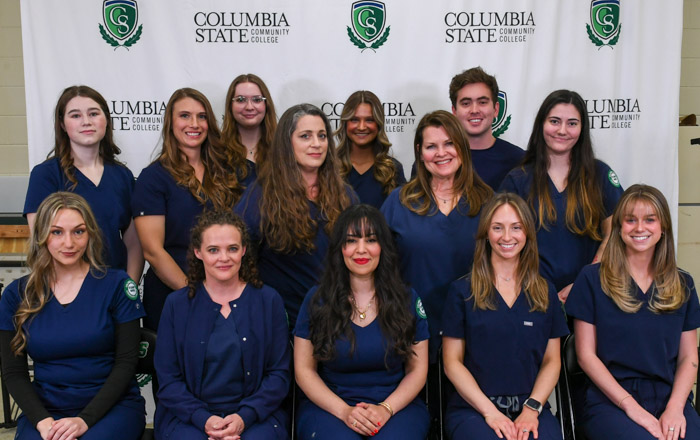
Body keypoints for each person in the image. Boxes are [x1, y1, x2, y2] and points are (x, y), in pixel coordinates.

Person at [0, 192, 145, 440]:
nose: (69, 243)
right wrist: (43, 421)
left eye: (78, 231)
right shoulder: (17, 294)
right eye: (57, 232)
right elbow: (13, 373)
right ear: (42, 235)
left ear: (90, 234)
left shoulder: (116, 285)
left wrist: (84, 421)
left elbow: (126, 364)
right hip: (46, 410)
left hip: (111, 408)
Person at [566, 184, 700, 440]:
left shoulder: (683, 283)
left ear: (663, 229)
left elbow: (689, 359)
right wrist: (631, 407)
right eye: (630, 220)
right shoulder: (592, 279)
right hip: (610, 400)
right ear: (618, 228)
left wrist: (675, 408)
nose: (640, 228)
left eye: (650, 220)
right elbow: (585, 356)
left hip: (669, 398)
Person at [294, 204, 430, 439]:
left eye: (370, 240)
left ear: (383, 247)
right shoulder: (317, 300)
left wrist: (386, 409)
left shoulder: (408, 299)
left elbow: (417, 370)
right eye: (351, 241)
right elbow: (304, 370)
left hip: (396, 407)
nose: (361, 250)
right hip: (330, 408)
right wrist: (344, 411)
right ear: (340, 248)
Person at [155, 210, 290, 440]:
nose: (224, 258)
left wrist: (243, 417)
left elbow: (279, 375)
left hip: (256, 417)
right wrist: (203, 419)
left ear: (244, 251)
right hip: (188, 418)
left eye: (233, 249)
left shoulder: (269, 301)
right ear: (198, 252)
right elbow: (168, 380)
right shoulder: (176, 305)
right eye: (213, 250)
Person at [442, 192, 568, 440]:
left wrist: (532, 409)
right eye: (498, 228)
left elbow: (552, 361)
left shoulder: (545, 292)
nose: (507, 237)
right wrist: (491, 413)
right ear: (486, 234)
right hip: (474, 410)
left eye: (516, 228)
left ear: (527, 234)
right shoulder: (462, 292)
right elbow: (452, 363)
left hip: (530, 408)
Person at [132, 87, 252, 331]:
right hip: (175, 296)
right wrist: (195, 295)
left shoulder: (231, 172)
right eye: (185, 116)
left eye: (201, 116)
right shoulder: (153, 178)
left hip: (230, 297)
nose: (194, 124)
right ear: (170, 123)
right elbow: (153, 252)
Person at [381, 110, 492, 357]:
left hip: (475, 332)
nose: (441, 153)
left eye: (449, 143)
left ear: (463, 147)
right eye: (432, 146)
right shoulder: (398, 203)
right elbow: (379, 268)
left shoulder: (488, 203)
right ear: (420, 152)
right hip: (411, 332)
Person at [235, 103, 356, 328]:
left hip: (338, 319)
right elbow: (238, 256)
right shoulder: (262, 196)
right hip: (282, 323)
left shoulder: (345, 195)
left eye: (322, 136)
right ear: (286, 144)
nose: (316, 144)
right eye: (305, 136)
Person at [500, 89, 623, 303]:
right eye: (555, 121)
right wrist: (532, 287)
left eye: (572, 123)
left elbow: (616, 232)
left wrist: (585, 281)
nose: (562, 130)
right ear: (542, 124)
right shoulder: (518, 180)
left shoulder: (600, 175)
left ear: (582, 128)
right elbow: (500, 239)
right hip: (530, 297)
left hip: (589, 295)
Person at [24, 85, 143, 282]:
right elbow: (42, 242)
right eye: (75, 115)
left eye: (93, 113)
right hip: (66, 290)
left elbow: (134, 244)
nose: (86, 122)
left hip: (114, 288)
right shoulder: (45, 175)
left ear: (106, 120)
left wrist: (128, 289)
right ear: (62, 124)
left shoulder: (122, 176)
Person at [449, 67, 524, 190]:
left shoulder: (519, 161)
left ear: (496, 109)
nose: (474, 110)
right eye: (466, 103)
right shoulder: (438, 160)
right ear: (454, 111)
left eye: (482, 102)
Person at [335, 90, 406, 208]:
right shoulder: (330, 167)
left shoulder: (393, 169)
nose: (362, 127)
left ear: (378, 124)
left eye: (369, 120)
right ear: (345, 123)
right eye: (354, 119)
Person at [221, 73, 278, 167]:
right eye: (240, 100)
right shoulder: (216, 151)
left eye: (257, 100)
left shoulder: (283, 148)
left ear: (266, 104)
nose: (249, 107)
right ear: (230, 106)